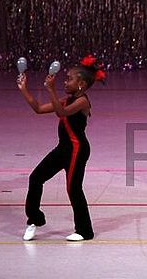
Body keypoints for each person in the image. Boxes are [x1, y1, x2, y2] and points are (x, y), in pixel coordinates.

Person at [17, 55, 105, 241]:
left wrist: (50, 89)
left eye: (69, 79)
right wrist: (24, 90)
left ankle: (84, 231)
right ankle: (34, 219)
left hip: (77, 150)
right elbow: (39, 109)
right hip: (63, 149)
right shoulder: (66, 99)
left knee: (73, 188)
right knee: (35, 178)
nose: (65, 82)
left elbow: (61, 112)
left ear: (81, 83)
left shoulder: (82, 102)